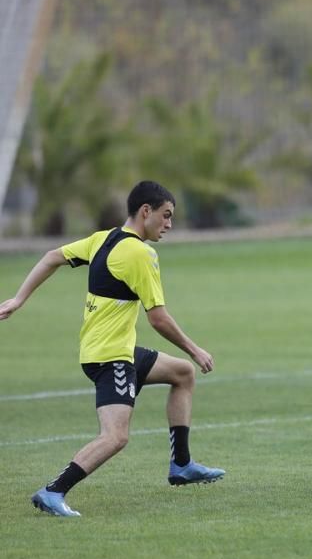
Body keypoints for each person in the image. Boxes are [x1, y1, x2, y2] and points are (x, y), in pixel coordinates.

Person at [0, 181, 224, 517]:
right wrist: (195, 347)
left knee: (182, 373)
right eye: (165, 216)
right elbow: (158, 318)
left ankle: (181, 465)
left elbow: (51, 257)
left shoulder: (102, 238)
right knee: (116, 436)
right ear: (145, 212)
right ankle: (53, 491)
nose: (169, 224)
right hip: (110, 356)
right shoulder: (141, 254)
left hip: (112, 348)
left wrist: (20, 298)